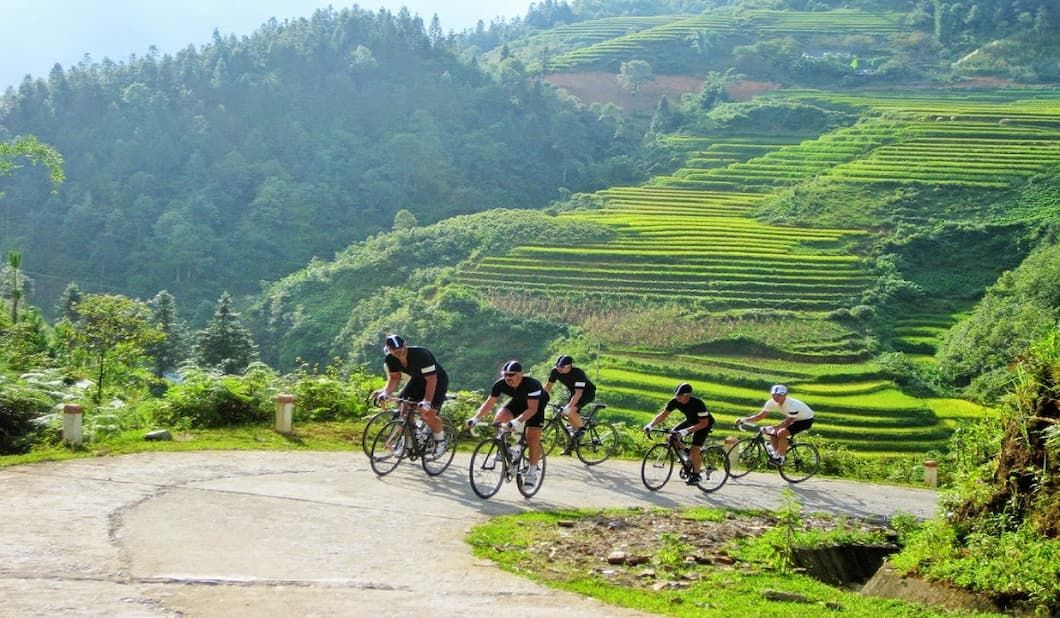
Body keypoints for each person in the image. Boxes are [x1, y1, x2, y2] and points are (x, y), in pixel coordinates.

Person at [466, 360, 550, 489]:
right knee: (499, 419)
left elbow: (532, 409)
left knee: (532, 438)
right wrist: (476, 418)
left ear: (520, 375)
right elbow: (489, 403)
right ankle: (506, 447)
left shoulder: (532, 384)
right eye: (505, 374)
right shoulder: (500, 384)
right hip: (518, 402)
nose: (507, 378)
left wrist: (516, 421)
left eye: (511, 375)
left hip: (536, 405)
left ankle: (532, 473)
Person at [374, 334, 449, 456]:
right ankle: (409, 443)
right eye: (395, 351)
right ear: (389, 350)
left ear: (405, 345)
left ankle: (440, 441)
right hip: (417, 380)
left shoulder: (421, 355)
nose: (399, 353)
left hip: (437, 381)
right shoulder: (390, 359)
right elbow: (394, 378)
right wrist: (386, 392)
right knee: (404, 410)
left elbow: (431, 379)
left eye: (401, 349)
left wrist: (427, 402)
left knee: (427, 414)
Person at [642, 382, 715, 485]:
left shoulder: (698, 404)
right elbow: (663, 415)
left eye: (679, 395)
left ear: (687, 395)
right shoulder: (675, 401)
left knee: (695, 449)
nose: (677, 397)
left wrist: (685, 431)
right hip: (691, 421)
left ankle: (696, 475)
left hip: (703, 424)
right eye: (676, 395)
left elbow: (704, 423)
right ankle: (687, 457)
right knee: (671, 436)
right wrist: (651, 425)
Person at [738, 384, 815, 465]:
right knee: (773, 433)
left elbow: (787, 423)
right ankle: (777, 455)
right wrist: (744, 420)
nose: (776, 397)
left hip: (805, 420)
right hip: (794, 419)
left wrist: (771, 427)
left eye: (779, 395)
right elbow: (760, 416)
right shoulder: (771, 402)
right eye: (773, 395)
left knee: (781, 433)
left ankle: (781, 457)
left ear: (785, 395)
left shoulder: (793, 405)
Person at [543, 354, 597, 455]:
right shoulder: (555, 371)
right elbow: (548, 386)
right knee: (570, 422)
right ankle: (570, 447)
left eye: (562, 367)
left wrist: (569, 407)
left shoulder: (578, 373)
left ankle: (582, 429)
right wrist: (540, 399)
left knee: (570, 411)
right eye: (557, 366)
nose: (559, 369)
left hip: (586, 393)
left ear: (570, 366)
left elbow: (579, 393)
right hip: (573, 393)